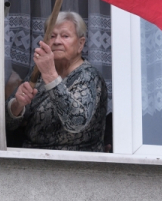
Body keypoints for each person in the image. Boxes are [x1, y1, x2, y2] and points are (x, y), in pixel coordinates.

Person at [6, 11, 107, 151]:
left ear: (80, 43)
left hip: (75, 164)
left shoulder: (89, 76)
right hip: (31, 158)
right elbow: (7, 124)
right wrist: (18, 105)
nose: (57, 41)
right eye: (52, 36)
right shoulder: (37, 73)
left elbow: (75, 122)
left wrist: (50, 75)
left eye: (65, 36)